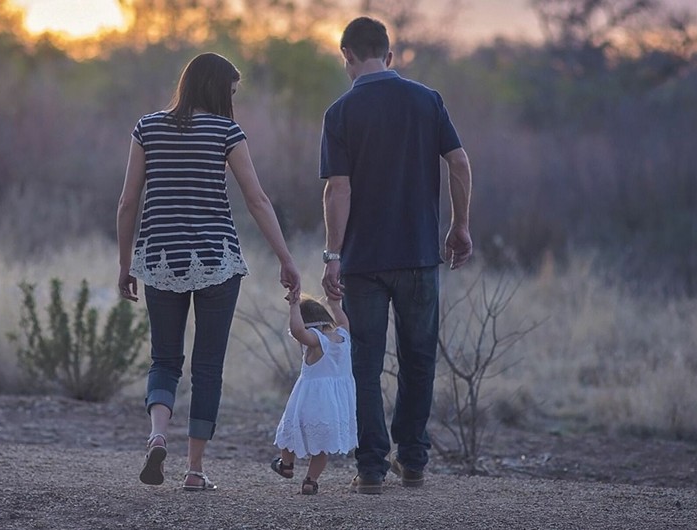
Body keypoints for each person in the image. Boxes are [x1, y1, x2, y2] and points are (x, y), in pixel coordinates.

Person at [116, 52, 301, 491]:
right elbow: (257, 200)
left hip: (160, 259)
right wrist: (286, 258)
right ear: (219, 89)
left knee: (164, 359)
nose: (233, 100)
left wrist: (126, 264)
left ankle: (158, 434)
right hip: (217, 260)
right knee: (208, 367)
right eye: (232, 92)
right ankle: (195, 470)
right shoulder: (226, 131)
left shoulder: (147, 128)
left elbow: (127, 202)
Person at [319, 17, 473, 494]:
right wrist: (460, 225)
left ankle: (370, 469)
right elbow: (460, 162)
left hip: (363, 261)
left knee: (364, 363)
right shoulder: (427, 101)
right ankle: (413, 460)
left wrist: (332, 254)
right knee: (419, 358)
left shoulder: (340, 112)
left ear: (346, 55)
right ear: (389, 55)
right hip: (420, 255)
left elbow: (337, 190)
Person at [271, 293, 357, 495]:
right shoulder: (344, 336)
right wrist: (334, 304)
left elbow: (298, 330)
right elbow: (343, 321)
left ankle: (286, 464)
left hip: (310, 401)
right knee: (322, 446)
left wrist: (293, 306)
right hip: (335, 405)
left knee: (290, 431)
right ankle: (310, 481)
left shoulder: (316, 341)